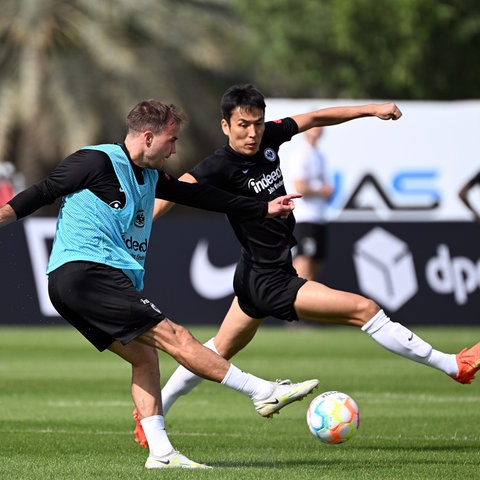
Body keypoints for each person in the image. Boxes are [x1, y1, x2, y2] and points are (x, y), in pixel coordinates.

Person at [0, 99, 320, 470]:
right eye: (171, 140)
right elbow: (40, 193)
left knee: (145, 357)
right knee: (175, 336)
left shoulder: (152, 176)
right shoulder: (96, 160)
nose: (174, 149)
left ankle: (162, 454)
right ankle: (263, 392)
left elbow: (200, 195)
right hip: (85, 272)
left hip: (89, 281)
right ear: (148, 137)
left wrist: (262, 207)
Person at [148, 84, 480, 431]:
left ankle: (152, 415)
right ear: (225, 126)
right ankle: (453, 365)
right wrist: (141, 226)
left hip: (254, 272)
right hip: (269, 280)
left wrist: (373, 109)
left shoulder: (269, 138)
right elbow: (175, 189)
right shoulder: (219, 166)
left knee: (214, 353)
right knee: (364, 310)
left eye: (257, 124)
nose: (252, 133)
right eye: (243, 125)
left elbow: (318, 116)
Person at [283, 126, 334, 281]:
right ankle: (295, 300)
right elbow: (300, 187)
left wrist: (327, 192)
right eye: (313, 127)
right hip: (305, 217)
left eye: (320, 127)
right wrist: (321, 191)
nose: (317, 130)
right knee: (304, 261)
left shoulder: (320, 156)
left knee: (317, 262)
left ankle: (305, 302)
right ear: (306, 131)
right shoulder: (301, 154)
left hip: (319, 217)